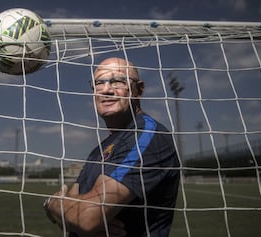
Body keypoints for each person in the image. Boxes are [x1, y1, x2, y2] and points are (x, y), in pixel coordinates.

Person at [43, 57, 180, 237]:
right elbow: (73, 211)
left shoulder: (148, 136)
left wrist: (55, 205)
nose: (106, 90)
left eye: (117, 81)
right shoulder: (100, 149)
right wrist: (60, 208)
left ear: (139, 90)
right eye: (99, 83)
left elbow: (86, 217)